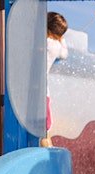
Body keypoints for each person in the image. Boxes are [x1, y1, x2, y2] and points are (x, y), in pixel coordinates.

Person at [41, 11, 69, 147]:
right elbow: (65, 54)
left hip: (28, 90)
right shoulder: (57, 46)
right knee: (44, 129)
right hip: (43, 91)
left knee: (39, 129)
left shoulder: (41, 41)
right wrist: (62, 40)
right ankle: (48, 154)